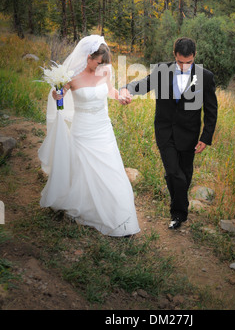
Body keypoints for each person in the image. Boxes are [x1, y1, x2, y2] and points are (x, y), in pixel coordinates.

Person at [38, 35, 140, 237]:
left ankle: (118, 212)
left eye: (103, 64)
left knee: (110, 167)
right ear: (88, 57)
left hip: (103, 127)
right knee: (84, 169)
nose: (100, 67)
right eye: (98, 62)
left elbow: (110, 90)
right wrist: (56, 95)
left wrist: (120, 97)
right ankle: (85, 205)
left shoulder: (105, 70)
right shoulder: (71, 76)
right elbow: (58, 94)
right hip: (82, 128)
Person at [120, 37, 217, 230]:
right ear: (175, 55)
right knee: (174, 172)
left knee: (185, 174)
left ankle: (178, 207)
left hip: (189, 134)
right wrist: (126, 89)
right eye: (180, 62)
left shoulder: (205, 76)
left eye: (188, 62)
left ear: (194, 57)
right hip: (165, 131)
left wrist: (205, 137)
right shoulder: (162, 71)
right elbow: (144, 84)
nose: (183, 66)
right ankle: (179, 213)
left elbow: (211, 110)